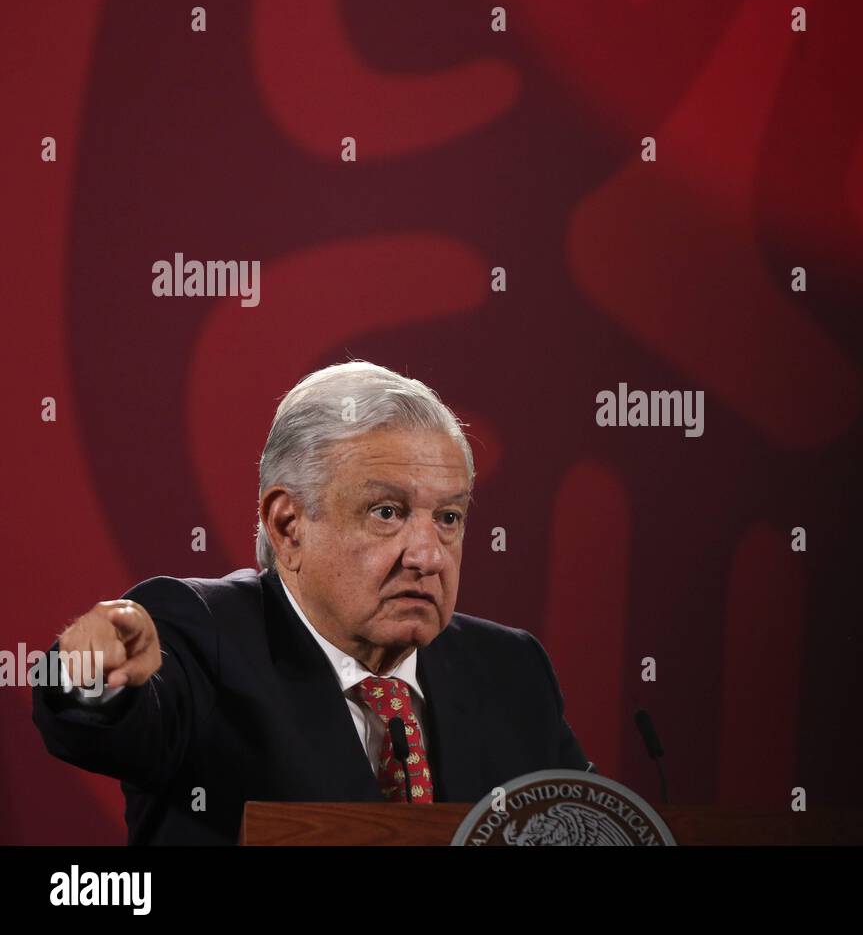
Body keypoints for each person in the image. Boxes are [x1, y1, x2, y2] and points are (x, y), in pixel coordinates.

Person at [32, 361, 590, 844]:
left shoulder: (510, 669)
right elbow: (95, 724)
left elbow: (601, 827)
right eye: (386, 512)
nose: (428, 556)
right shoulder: (202, 634)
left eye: (448, 518)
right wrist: (87, 670)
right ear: (288, 525)